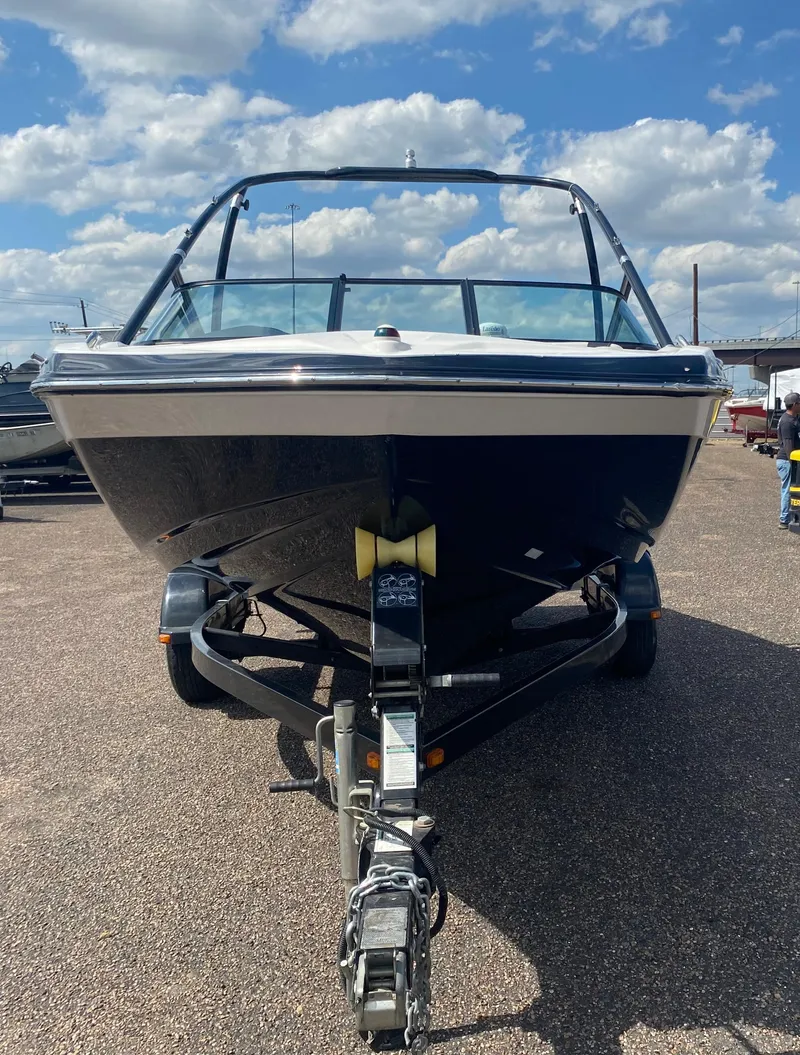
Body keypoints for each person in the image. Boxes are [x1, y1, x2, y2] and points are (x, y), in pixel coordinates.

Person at [775, 391, 800, 529]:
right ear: (795, 404)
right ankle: (784, 519)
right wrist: (795, 463)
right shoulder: (787, 422)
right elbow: (788, 444)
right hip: (787, 460)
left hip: (791, 460)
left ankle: (792, 516)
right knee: (788, 489)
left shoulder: (795, 419)